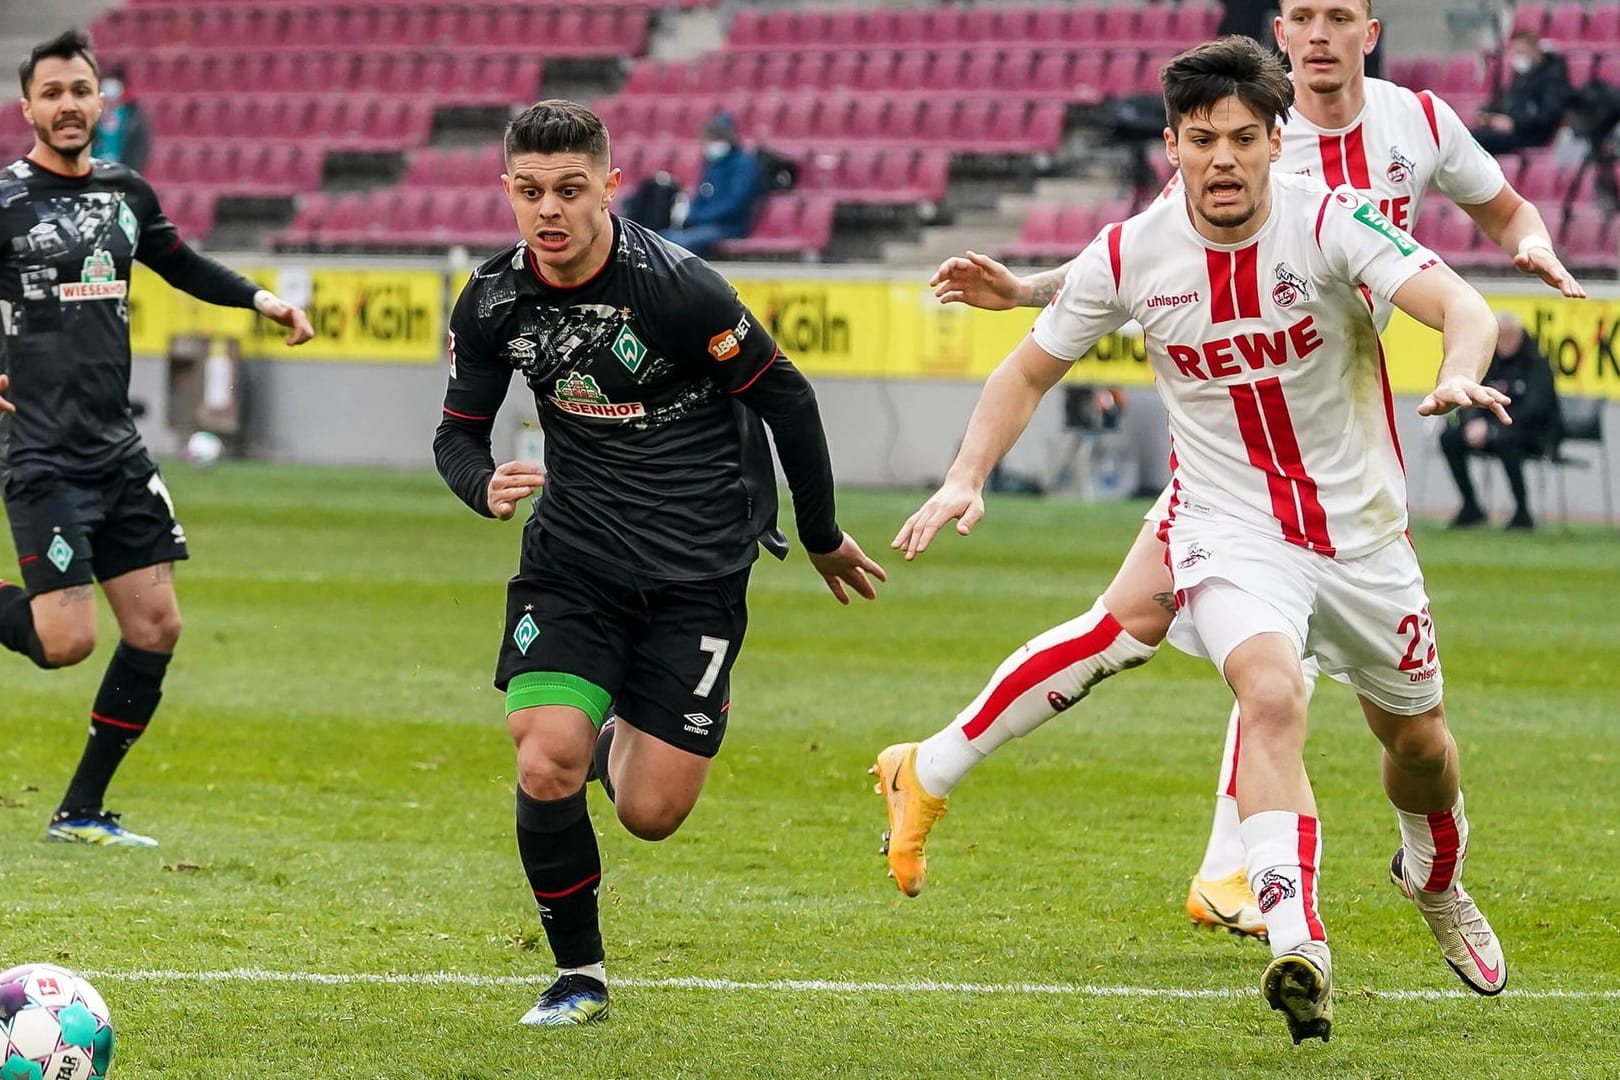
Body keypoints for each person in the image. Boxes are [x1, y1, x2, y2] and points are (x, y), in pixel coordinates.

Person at [878, 0, 1585, 946]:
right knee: (1244, 658)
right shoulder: (1226, 159)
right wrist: (1028, 295)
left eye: (1342, 16)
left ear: (1369, 33)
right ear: (1282, 38)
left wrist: (1524, 252)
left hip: (1339, 447)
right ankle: (1236, 878)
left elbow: (1499, 220)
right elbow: (1125, 259)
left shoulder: (1410, 126)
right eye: (1305, 16)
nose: (1323, 33)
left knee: (1139, 634)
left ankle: (936, 768)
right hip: (1226, 466)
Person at [433, 99, 885, 1027]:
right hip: (574, 562)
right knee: (544, 759)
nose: (548, 211)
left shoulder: (680, 289)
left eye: (568, 189)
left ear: (609, 181)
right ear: (506, 191)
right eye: (529, 192)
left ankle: (623, 733)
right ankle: (579, 975)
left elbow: (788, 401)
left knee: (651, 812)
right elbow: (457, 434)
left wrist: (822, 532)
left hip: (697, 570)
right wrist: (480, 484)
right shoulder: (491, 300)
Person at [0, 30, 313, 846]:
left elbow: (181, 263)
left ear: (102, 103)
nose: (69, 104)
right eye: (53, 92)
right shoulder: (4, 201)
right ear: (27, 106)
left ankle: (80, 813)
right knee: (65, 642)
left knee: (156, 628)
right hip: (41, 452)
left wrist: (260, 299)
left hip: (116, 450)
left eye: (82, 90)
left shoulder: (125, 192)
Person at [1440, 310, 1561, 529]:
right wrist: (1473, 421)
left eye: (1509, 336)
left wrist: (1494, 427)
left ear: (1521, 335)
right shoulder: (1488, 362)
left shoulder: (1536, 364)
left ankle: (1522, 513)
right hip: (1489, 429)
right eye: (1500, 336)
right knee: (1449, 436)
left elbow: (1537, 408)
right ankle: (1471, 507)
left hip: (1530, 434)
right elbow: (1470, 392)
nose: (1504, 342)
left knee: (1506, 439)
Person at [658, 112, 764, 258]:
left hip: (729, 226)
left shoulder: (744, 165)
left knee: (682, 243)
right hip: (704, 225)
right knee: (660, 239)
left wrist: (702, 217)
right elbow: (702, 194)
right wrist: (692, 215)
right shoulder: (712, 165)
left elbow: (736, 202)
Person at [1472, 30, 1572, 155]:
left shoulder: (1553, 78)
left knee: (1477, 141)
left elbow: (1549, 114)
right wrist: (1489, 116)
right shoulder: (1522, 76)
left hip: (1532, 134)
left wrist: (1514, 123)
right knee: (1467, 136)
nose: (1516, 57)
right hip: (1512, 130)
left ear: (1534, 51)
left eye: (1520, 52)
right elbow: (1507, 103)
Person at [92, 66, 149, 172]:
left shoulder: (132, 115)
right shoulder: (91, 115)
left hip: (122, 174)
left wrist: (132, 173)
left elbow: (140, 148)